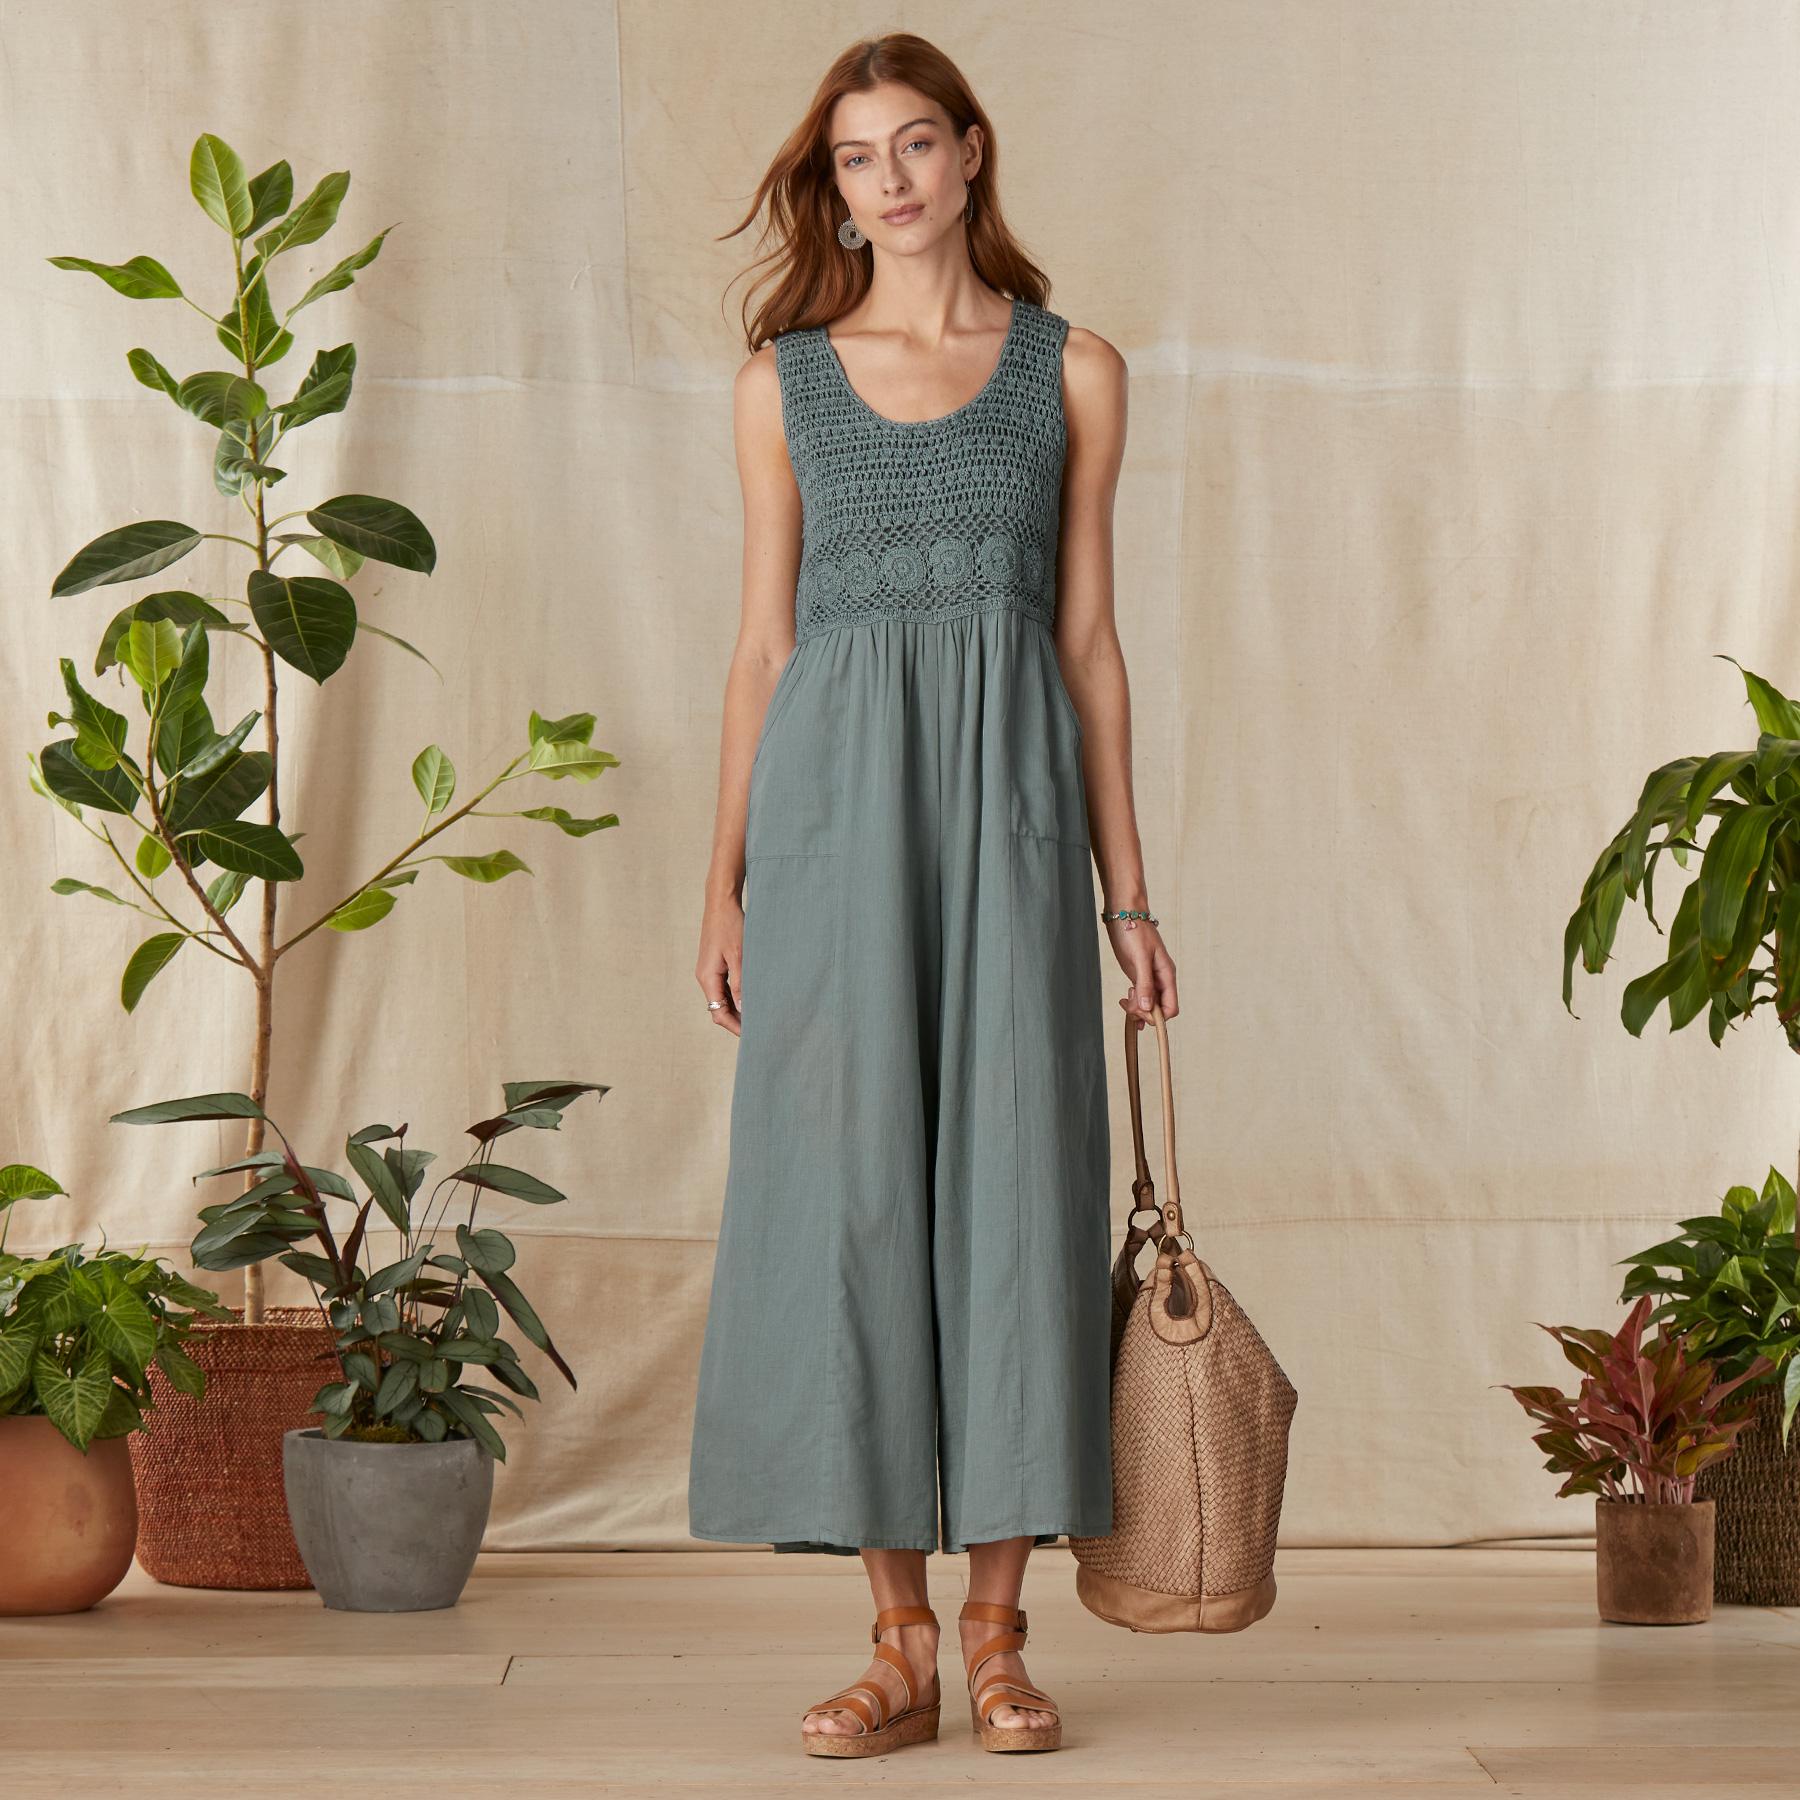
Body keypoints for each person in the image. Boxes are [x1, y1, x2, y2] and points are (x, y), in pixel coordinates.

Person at [688, 31, 1178, 1759]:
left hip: (1014, 822)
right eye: (854, 159)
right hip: (832, 828)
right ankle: (896, 1640)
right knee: (853, 1199)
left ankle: (996, 1636)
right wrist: (725, 879)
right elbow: (763, 646)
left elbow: (1088, 644)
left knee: (1016, 1197)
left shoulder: (1075, 372)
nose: (887, 181)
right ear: (835, 188)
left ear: (971, 153)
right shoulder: (783, 382)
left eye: (912, 145)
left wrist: (1129, 899)